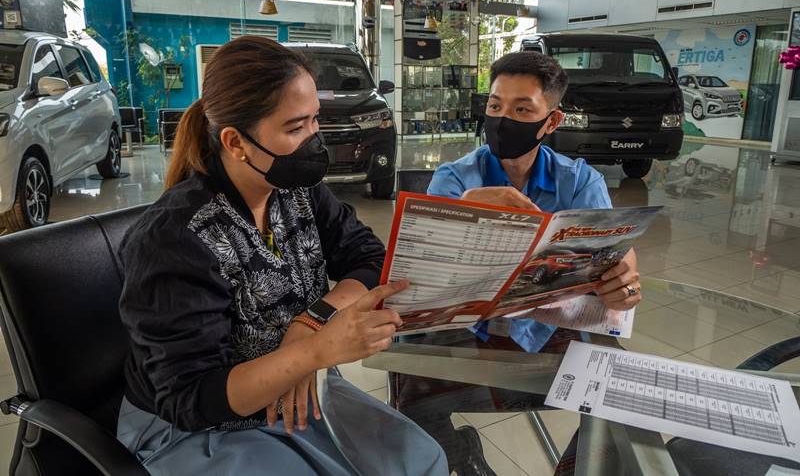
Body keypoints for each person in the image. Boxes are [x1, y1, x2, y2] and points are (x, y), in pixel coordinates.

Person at [117, 36, 447, 475]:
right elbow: (192, 398)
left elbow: (370, 260)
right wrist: (312, 354)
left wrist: (310, 323)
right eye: (295, 128)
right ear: (236, 142)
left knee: (424, 462)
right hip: (199, 429)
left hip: (295, 391)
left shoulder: (297, 192)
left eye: (315, 120)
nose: (315, 140)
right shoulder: (174, 238)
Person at [394, 51, 642, 476]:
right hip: (468, 329)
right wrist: (468, 207)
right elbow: (424, 263)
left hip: (549, 329)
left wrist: (623, 278)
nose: (503, 119)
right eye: (495, 106)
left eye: (522, 109)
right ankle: (461, 457)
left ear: (552, 121)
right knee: (410, 399)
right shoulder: (456, 178)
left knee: (622, 392)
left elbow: (615, 249)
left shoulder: (579, 180)